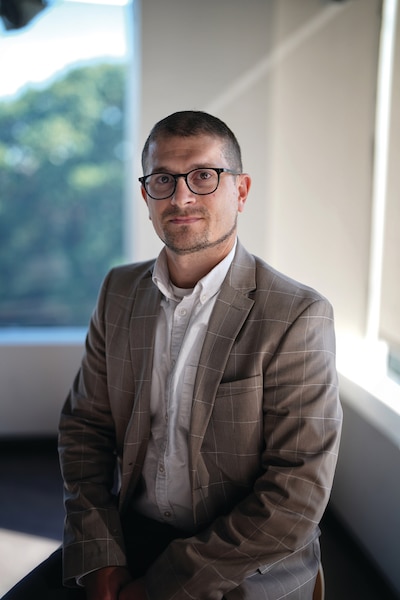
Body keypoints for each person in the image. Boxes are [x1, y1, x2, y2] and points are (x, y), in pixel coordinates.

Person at [3, 110, 342, 600]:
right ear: (146, 196)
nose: (181, 195)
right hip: (131, 535)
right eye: (163, 179)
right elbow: (85, 429)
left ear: (241, 191)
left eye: (203, 176)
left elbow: (296, 494)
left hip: (248, 560)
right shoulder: (119, 291)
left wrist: (162, 588)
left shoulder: (298, 313)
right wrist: (99, 552)